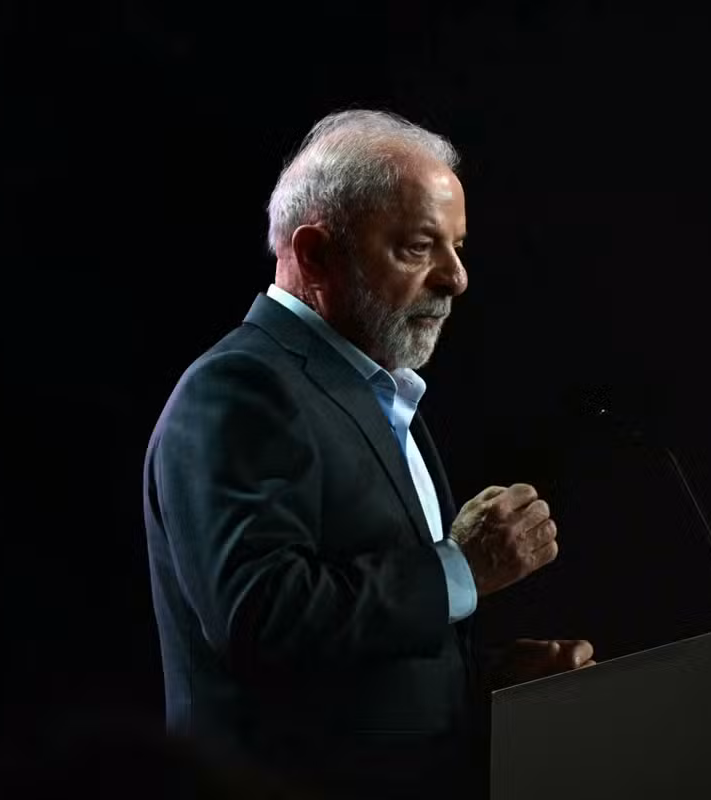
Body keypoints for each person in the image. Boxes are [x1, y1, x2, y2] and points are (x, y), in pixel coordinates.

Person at [142, 109, 594, 800]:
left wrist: (483, 685)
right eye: (420, 247)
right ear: (317, 253)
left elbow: (351, 668)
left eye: (459, 245)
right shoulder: (241, 387)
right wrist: (463, 567)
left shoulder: (374, 394)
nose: (457, 278)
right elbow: (260, 617)